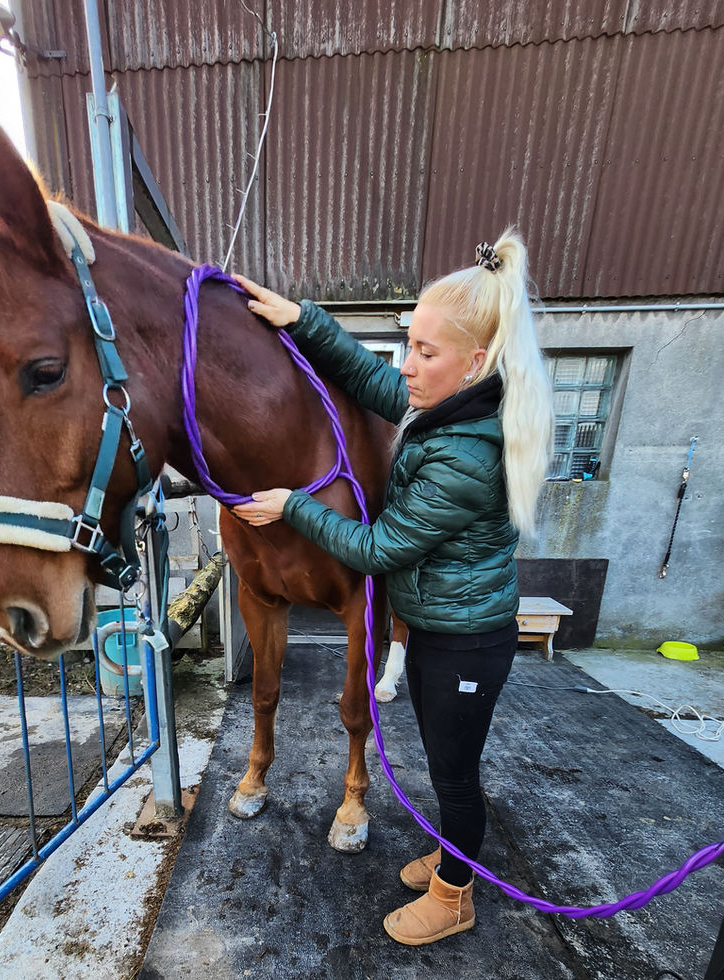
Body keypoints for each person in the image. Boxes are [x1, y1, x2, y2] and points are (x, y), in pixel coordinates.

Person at [232, 229, 552, 946]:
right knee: (445, 765)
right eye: (410, 345)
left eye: (425, 353)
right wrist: (304, 320)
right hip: (441, 625)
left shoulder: (466, 458)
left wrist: (294, 507)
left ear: (476, 362)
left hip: (466, 643)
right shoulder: (451, 405)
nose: (407, 365)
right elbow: (374, 383)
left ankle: (455, 894)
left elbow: (378, 549)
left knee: (454, 774)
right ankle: (454, 855)